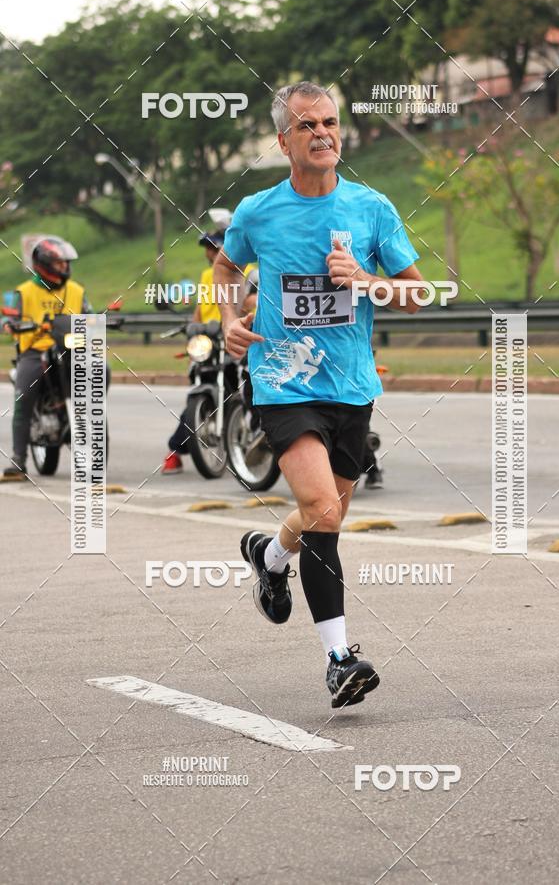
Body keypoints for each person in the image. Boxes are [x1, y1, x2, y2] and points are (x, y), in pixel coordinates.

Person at [213, 80, 425, 708]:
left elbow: (417, 295)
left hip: (352, 387)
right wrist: (229, 320)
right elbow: (227, 267)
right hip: (282, 380)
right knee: (325, 516)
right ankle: (339, 659)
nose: (322, 133)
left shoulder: (371, 208)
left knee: (322, 515)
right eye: (307, 125)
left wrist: (365, 279)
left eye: (329, 122)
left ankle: (270, 558)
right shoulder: (257, 211)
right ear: (284, 141)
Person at [160, 232, 255, 474]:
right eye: (209, 250)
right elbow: (201, 311)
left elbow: (253, 302)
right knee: (204, 388)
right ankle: (176, 449)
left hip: (237, 337)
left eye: (215, 248)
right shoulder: (206, 276)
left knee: (248, 390)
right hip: (210, 340)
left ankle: (257, 442)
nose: (210, 254)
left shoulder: (249, 270)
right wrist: (193, 334)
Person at [3, 236, 88, 480]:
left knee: (101, 369)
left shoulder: (76, 291)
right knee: (25, 393)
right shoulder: (24, 291)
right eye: (60, 263)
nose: (65, 268)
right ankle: (19, 459)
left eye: (66, 263)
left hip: (72, 347)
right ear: (45, 264)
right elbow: (10, 317)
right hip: (36, 350)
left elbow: (90, 315)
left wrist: (106, 320)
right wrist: (11, 324)